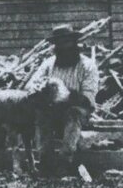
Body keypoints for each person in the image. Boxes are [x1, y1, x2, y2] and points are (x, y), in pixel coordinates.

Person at [31, 24, 98, 172]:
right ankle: (45, 160)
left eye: (67, 42)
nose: (63, 47)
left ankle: (64, 162)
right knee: (41, 114)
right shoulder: (49, 64)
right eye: (59, 44)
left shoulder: (87, 66)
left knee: (72, 113)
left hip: (78, 111)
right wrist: (39, 91)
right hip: (52, 109)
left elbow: (88, 99)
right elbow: (33, 85)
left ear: (74, 43)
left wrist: (66, 96)